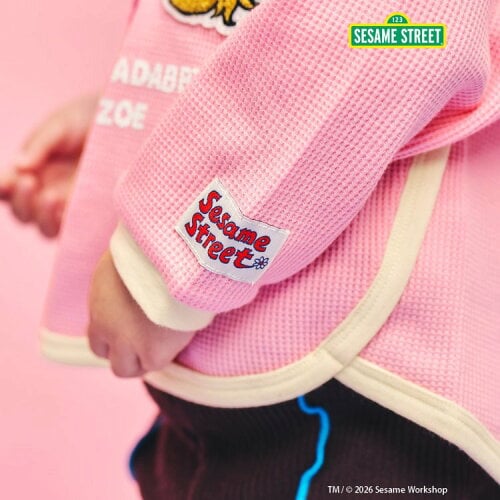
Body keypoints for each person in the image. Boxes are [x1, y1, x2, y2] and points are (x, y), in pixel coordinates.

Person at [1, 0, 500, 498]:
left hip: (361, 399)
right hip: (271, 382)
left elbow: (394, 28)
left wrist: (168, 259)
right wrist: (137, 134)